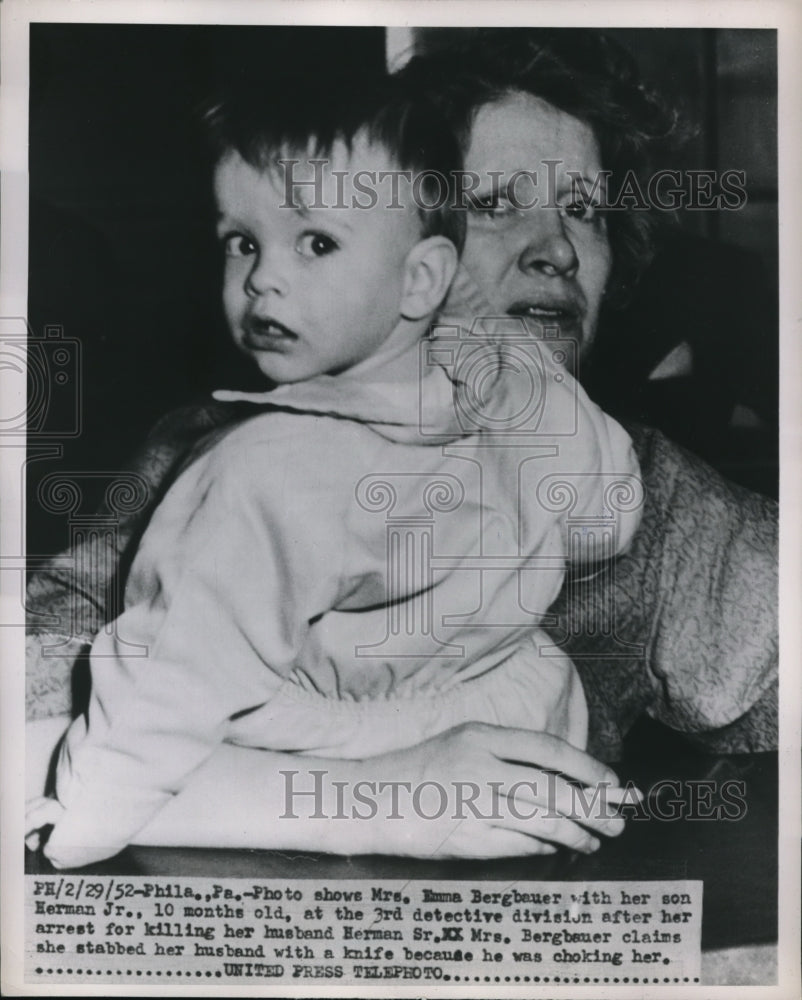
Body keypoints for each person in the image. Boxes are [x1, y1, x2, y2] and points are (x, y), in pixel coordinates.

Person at [25, 28, 776, 864]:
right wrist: (372, 803)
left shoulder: (641, 485)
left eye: (585, 212)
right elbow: (32, 719)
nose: (558, 248)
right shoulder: (221, 457)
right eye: (493, 203)